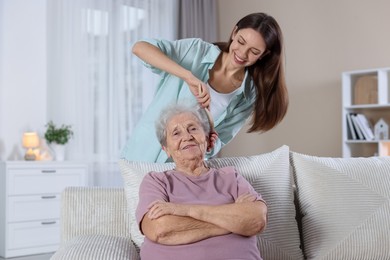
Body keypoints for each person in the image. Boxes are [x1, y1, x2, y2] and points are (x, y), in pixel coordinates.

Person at [121, 12, 288, 162]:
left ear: (264, 55)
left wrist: (210, 139)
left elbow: (219, 141)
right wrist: (188, 76)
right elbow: (140, 48)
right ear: (234, 32)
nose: (242, 53)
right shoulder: (196, 51)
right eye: (241, 41)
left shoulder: (247, 95)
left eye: (254, 51)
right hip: (142, 153)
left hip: (181, 169)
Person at [136, 103, 268, 260]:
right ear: (166, 149)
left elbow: (256, 220)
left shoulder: (230, 177)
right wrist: (233, 222)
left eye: (193, 128)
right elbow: (160, 229)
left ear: (206, 138)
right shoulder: (156, 181)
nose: (187, 137)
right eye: (176, 133)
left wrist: (184, 210)